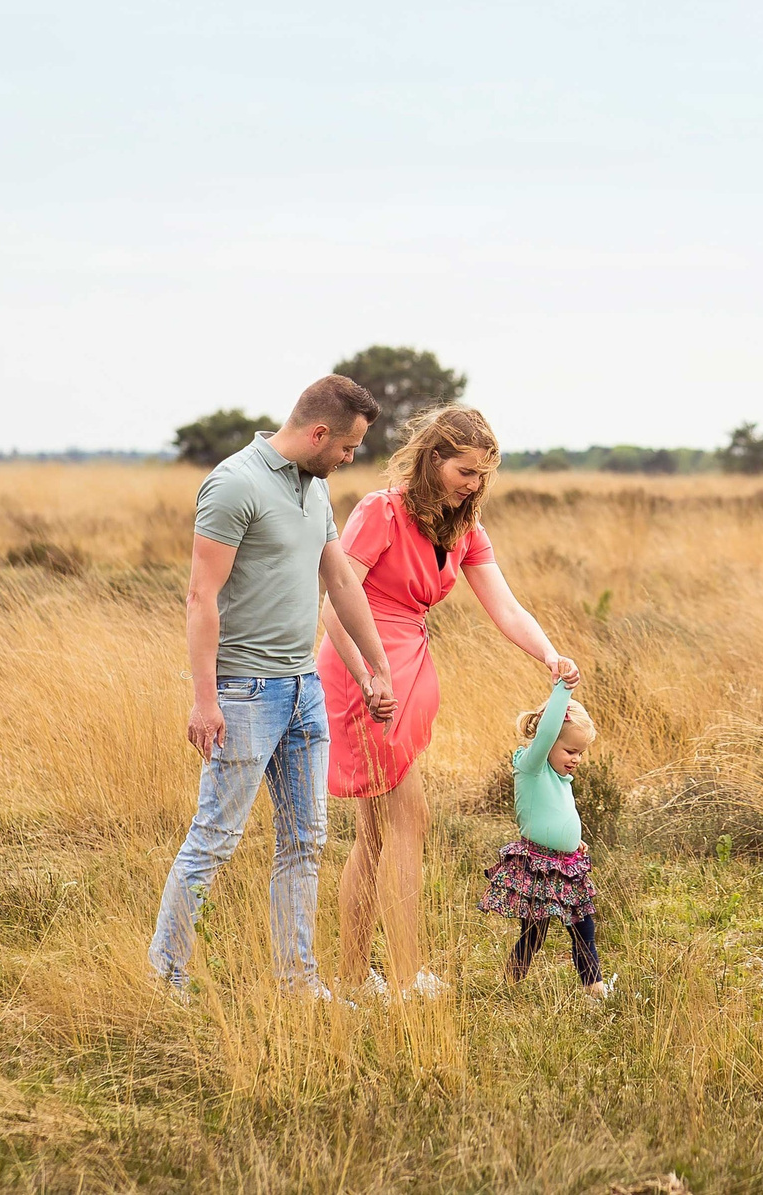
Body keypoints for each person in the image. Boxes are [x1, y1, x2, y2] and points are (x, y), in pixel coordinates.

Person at [147, 375, 396, 999]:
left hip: (304, 689)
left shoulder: (315, 490)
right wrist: (205, 701)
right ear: (319, 433)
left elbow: (340, 582)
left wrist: (375, 669)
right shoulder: (235, 484)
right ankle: (164, 978)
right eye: (349, 446)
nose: (350, 458)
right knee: (216, 838)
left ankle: (297, 983)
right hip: (244, 693)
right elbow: (201, 596)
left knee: (306, 840)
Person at [317, 403, 576, 999]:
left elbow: (505, 607)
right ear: (433, 460)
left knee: (376, 834)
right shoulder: (380, 512)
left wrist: (549, 655)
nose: (474, 485)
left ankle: (353, 979)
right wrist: (370, 677)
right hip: (366, 674)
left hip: (410, 667)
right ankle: (408, 979)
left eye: (484, 474)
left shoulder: (464, 529)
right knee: (407, 819)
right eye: (465, 470)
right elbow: (333, 608)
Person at [480, 681, 608, 996]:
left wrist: (572, 840)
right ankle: (512, 984)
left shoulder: (560, 775)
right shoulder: (532, 766)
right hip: (539, 866)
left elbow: (557, 812)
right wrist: (563, 687)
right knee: (534, 935)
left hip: (568, 865)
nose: (576, 758)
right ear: (547, 741)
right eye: (570, 750)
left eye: (581, 753)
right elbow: (550, 730)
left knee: (584, 931)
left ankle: (596, 992)